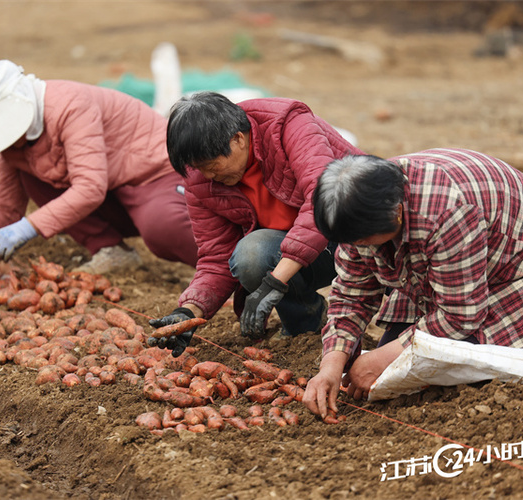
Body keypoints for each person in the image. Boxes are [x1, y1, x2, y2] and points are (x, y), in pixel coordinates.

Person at [303, 148, 523, 420]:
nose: (356, 248)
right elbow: (352, 295)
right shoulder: (361, 206)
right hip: (458, 267)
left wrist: (381, 358)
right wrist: (330, 366)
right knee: (400, 370)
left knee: (469, 369)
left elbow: (460, 316)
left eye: (362, 242)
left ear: (396, 213)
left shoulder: (447, 212)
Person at [0, 60, 198, 290]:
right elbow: (5, 206)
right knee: (33, 177)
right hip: (112, 190)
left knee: (161, 227)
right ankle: (111, 249)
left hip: (154, 176)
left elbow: (90, 188)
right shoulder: (15, 146)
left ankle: (224, 269)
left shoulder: (70, 106)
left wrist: (28, 227)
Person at [148, 91, 364, 356]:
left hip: (353, 234)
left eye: (211, 165)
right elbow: (216, 256)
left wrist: (275, 281)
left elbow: (323, 201)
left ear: (238, 139)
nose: (207, 175)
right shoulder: (200, 179)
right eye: (198, 168)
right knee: (252, 254)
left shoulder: (288, 127)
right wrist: (188, 311)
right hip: (297, 252)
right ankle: (305, 330)